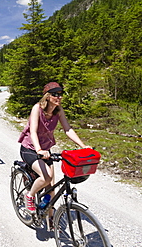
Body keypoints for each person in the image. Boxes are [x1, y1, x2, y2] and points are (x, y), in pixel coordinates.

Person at [18, 82, 91, 216]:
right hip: (30, 148)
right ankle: (29, 196)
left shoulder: (58, 110)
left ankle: (51, 219)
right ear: (47, 96)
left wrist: (83, 146)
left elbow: (67, 129)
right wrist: (39, 150)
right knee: (46, 177)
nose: (59, 97)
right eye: (55, 94)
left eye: (60, 94)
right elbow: (33, 131)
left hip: (46, 150)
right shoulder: (37, 108)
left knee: (51, 189)